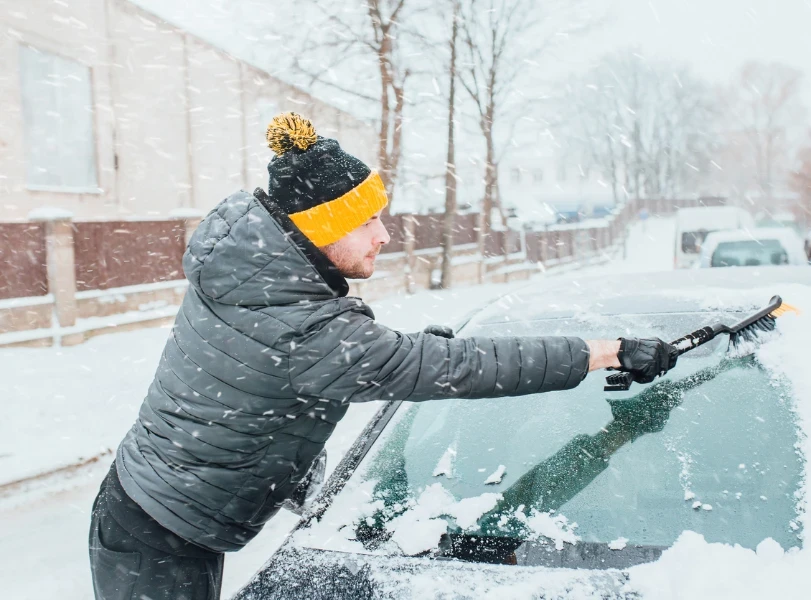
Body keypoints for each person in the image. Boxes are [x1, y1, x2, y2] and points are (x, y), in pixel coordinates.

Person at [88, 113, 678, 600]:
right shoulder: (305, 327)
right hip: (157, 537)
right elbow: (455, 370)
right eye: (368, 219)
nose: (384, 234)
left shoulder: (253, 272)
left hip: (150, 511)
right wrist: (609, 351)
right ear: (322, 228)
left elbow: (269, 378)